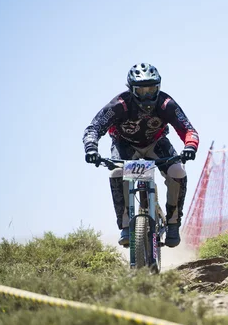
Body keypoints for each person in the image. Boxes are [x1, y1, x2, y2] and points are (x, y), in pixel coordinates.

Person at [82, 63, 199, 248]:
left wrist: (190, 147)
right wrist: (91, 149)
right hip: (124, 145)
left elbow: (188, 129)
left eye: (152, 89)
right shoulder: (119, 104)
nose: (147, 95)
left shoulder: (166, 104)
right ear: (131, 90)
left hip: (156, 143)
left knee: (178, 171)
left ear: (159, 87)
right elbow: (94, 128)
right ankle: (126, 226)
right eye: (142, 90)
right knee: (116, 173)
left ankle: (173, 223)